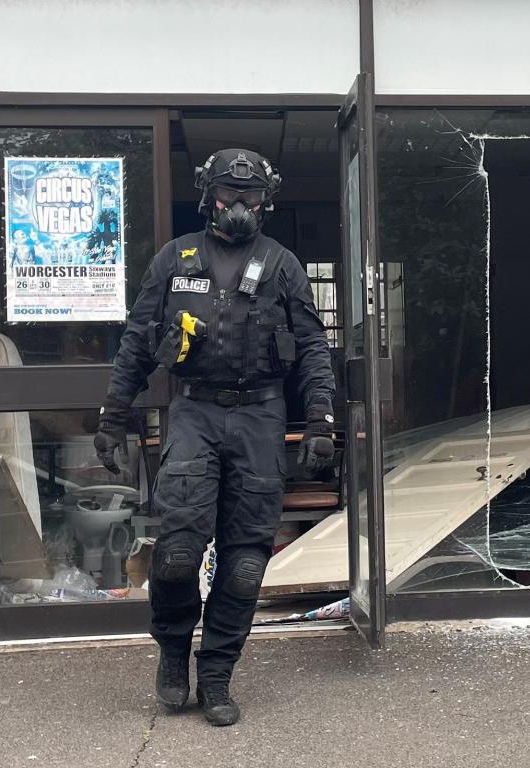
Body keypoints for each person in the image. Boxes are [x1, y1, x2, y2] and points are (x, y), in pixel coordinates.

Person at [93, 148, 336, 726]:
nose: (240, 207)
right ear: (209, 196)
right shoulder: (173, 260)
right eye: (230, 196)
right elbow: (134, 342)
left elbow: (313, 348)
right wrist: (112, 417)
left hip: (261, 418)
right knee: (177, 554)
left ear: (266, 202)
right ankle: (174, 654)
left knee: (245, 563)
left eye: (251, 199)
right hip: (194, 414)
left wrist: (322, 419)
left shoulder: (282, 265)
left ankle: (218, 673)